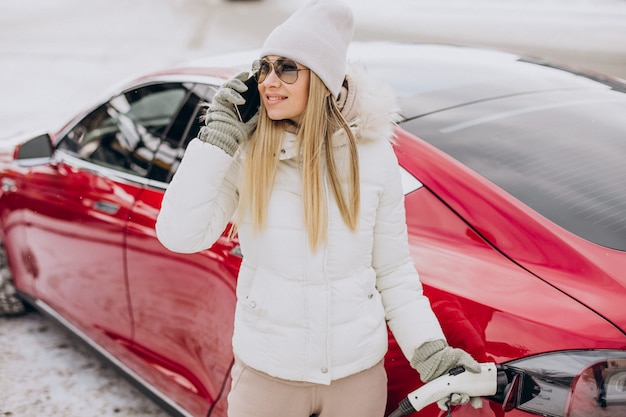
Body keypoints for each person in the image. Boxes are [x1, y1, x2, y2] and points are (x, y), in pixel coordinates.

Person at [156, 1, 482, 416]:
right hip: (268, 378)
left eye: (287, 68)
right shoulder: (249, 151)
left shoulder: (374, 157)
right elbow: (179, 234)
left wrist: (430, 352)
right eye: (264, 67)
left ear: (323, 78)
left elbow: (394, 272)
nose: (270, 81)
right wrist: (218, 138)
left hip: (356, 380)